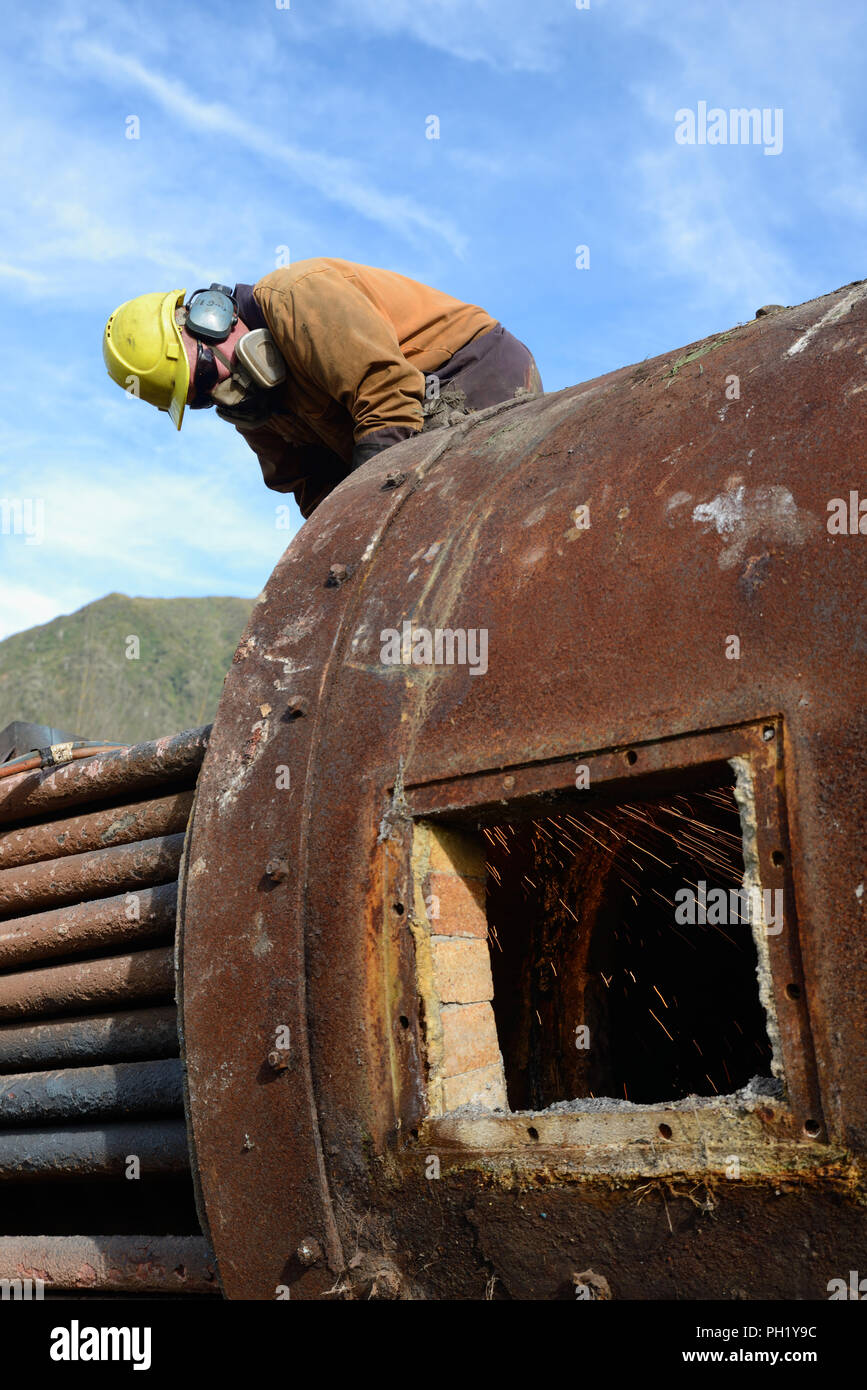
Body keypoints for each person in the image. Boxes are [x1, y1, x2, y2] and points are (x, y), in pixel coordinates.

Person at [103, 258, 542, 518]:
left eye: (200, 375)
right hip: (403, 425)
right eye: (197, 397)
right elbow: (311, 489)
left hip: (464, 373)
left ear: (210, 319)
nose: (214, 390)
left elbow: (388, 398)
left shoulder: (298, 295)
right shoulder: (254, 404)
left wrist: (366, 518)